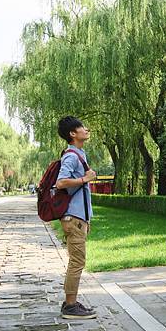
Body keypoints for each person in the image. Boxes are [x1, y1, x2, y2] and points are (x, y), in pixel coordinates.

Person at [55, 116, 97, 319]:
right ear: (73, 133)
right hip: (73, 217)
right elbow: (61, 182)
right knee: (77, 262)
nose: (86, 129)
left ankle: (71, 302)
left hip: (79, 218)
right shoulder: (71, 156)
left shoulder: (80, 153)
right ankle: (70, 306)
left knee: (76, 260)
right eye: (82, 127)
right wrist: (84, 179)